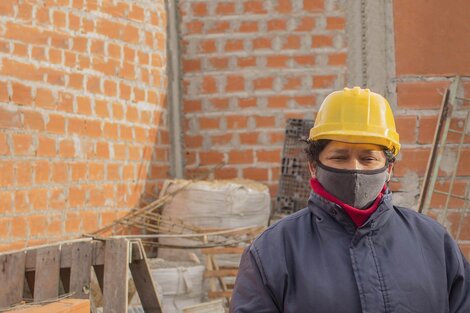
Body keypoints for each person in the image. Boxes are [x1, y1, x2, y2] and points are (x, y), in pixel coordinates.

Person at [230, 87, 470, 312]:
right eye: (340, 157)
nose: (354, 169)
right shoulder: (273, 250)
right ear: (314, 166)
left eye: (368, 159)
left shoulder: (434, 242)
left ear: (389, 168)